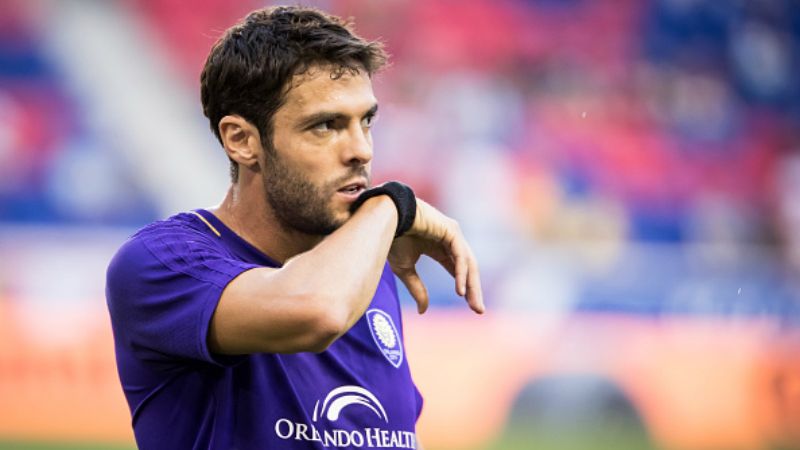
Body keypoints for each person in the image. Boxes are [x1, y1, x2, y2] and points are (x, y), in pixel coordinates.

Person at [105, 5, 484, 450]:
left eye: (366, 121)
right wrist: (393, 207)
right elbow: (316, 311)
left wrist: (380, 221)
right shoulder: (161, 264)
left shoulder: (365, 265)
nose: (361, 150)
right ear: (242, 141)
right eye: (326, 125)